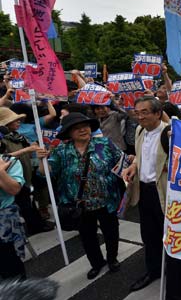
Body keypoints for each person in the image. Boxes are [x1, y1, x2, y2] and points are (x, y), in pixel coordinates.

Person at [37, 113, 122, 279]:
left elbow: (121, 163)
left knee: (111, 232)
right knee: (87, 236)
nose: (83, 129)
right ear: (69, 133)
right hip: (78, 204)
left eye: (85, 125)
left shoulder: (104, 144)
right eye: (76, 128)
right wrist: (42, 160)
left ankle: (112, 259)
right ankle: (96, 263)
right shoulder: (61, 150)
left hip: (106, 200)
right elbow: (45, 174)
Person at [122, 96, 169, 291]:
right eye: (137, 112)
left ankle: (177, 270)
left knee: (169, 234)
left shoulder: (170, 133)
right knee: (149, 235)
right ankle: (153, 270)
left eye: (145, 112)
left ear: (158, 113)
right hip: (144, 190)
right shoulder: (140, 131)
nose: (140, 117)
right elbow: (140, 156)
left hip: (164, 193)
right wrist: (133, 165)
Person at [0, 137, 27, 280]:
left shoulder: (9, 162)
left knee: (11, 267)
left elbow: (14, 189)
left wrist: (1, 172)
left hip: (5, 222)